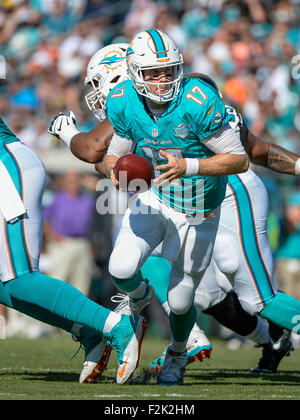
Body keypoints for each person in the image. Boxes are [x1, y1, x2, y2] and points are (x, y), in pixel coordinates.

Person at [49, 41, 297, 380]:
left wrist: (67, 132)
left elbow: (92, 149)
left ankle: (193, 337)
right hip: (175, 194)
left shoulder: (186, 101)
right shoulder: (134, 106)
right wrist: (118, 172)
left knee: (256, 296)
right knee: (205, 294)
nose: (99, 96)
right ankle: (267, 339)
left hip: (225, 189)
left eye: (101, 84)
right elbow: (112, 164)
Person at [0, 116, 146, 385]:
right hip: (10, 166)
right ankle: (88, 328)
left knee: (20, 278)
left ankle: (117, 325)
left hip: (5, 167)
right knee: (3, 285)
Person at [43, 170, 95, 296]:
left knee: (81, 285)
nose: (74, 183)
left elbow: (96, 222)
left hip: (82, 244)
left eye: (77, 180)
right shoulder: (56, 198)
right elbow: (44, 218)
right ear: (64, 182)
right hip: (62, 244)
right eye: (70, 180)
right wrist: (51, 235)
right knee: (58, 281)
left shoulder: (87, 200)